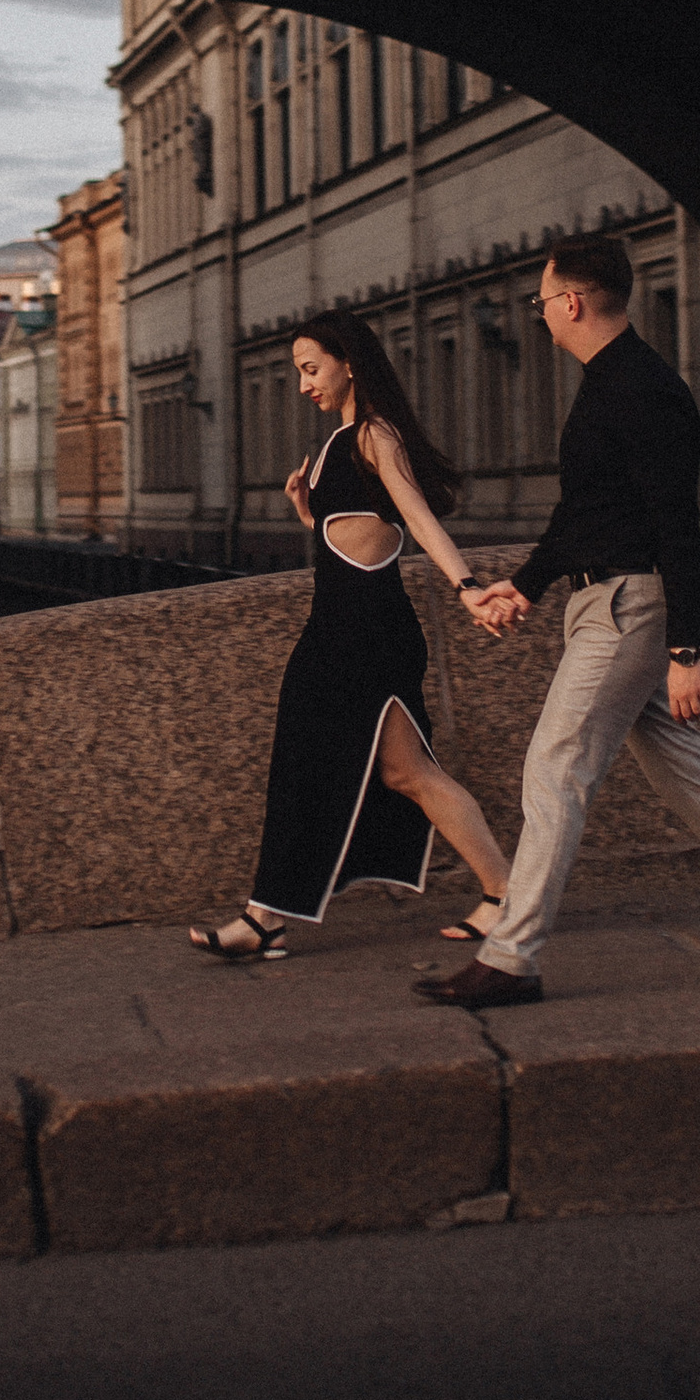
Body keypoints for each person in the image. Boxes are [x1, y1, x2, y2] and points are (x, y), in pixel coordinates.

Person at [418, 232, 700, 1010]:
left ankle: (511, 957)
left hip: (627, 609)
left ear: (571, 302)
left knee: (554, 768)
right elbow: (587, 513)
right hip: (602, 600)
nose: (541, 315)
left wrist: (688, 648)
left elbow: (677, 524)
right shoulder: (613, 382)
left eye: (543, 301)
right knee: (688, 770)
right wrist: (529, 586)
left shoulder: (641, 389)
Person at [189, 312, 517, 963]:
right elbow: (360, 534)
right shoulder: (346, 440)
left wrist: (467, 586)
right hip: (347, 626)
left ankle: (265, 919)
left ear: (350, 363)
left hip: (361, 633)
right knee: (406, 772)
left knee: (312, 768)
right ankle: (507, 893)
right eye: (299, 372)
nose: (304, 383)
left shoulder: (372, 436)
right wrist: (311, 515)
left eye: (312, 368)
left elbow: (417, 519)